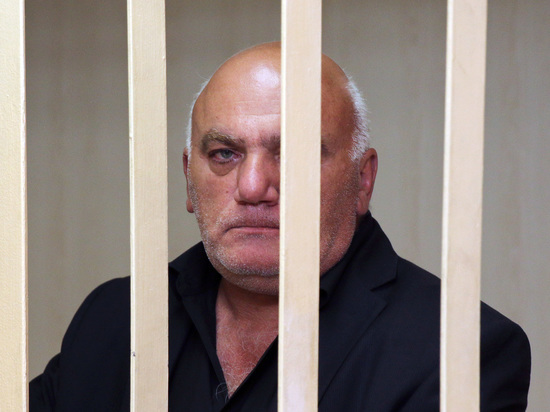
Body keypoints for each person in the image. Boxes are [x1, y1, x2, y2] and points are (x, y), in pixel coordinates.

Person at [30, 42, 531, 411]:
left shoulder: (459, 350)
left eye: (291, 154)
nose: (253, 186)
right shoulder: (115, 320)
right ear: (188, 180)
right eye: (223, 154)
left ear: (362, 180)